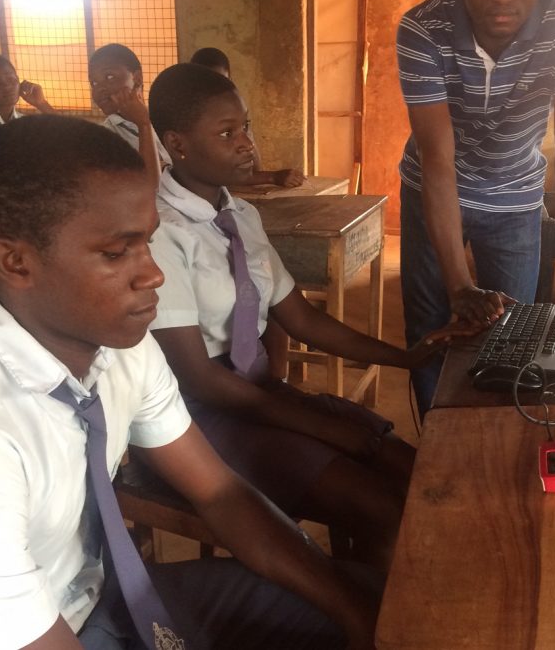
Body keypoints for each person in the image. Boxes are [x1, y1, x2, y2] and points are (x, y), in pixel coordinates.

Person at [0, 114, 381, 650]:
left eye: (148, 243)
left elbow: (219, 492)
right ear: (15, 262)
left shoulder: (118, 347)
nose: (153, 273)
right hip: (31, 633)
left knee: (379, 604)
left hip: (104, 596)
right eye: (116, 252)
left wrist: (354, 613)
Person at [147, 63, 475, 571]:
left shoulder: (242, 216)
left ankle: (366, 586)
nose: (247, 145)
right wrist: (316, 424)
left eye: (247, 127)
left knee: (417, 474)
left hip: (257, 397)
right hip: (194, 417)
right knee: (385, 509)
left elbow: (301, 318)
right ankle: (363, 617)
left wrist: (406, 357)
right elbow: (201, 379)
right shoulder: (159, 233)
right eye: (227, 133)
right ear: (178, 144)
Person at [396, 0, 555, 417]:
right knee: (433, 329)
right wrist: (459, 285)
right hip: (434, 188)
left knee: (515, 338)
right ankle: (433, 451)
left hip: (516, 196)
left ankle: (497, 439)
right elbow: (438, 158)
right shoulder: (422, 29)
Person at [190, 47, 306, 189]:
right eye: (206, 84)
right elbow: (205, 173)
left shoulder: (232, 114)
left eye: (222, 83)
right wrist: (272, 177)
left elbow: (253, 167)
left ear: (230, 81)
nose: (214, 92)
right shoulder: (183, 120)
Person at [88, 43, 172, 189]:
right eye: (93, 82)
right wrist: (143, 125)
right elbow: (150, 187)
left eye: (109, 77)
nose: (99, 88)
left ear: (137, 78)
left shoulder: (163, 119)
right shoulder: (105, 136)